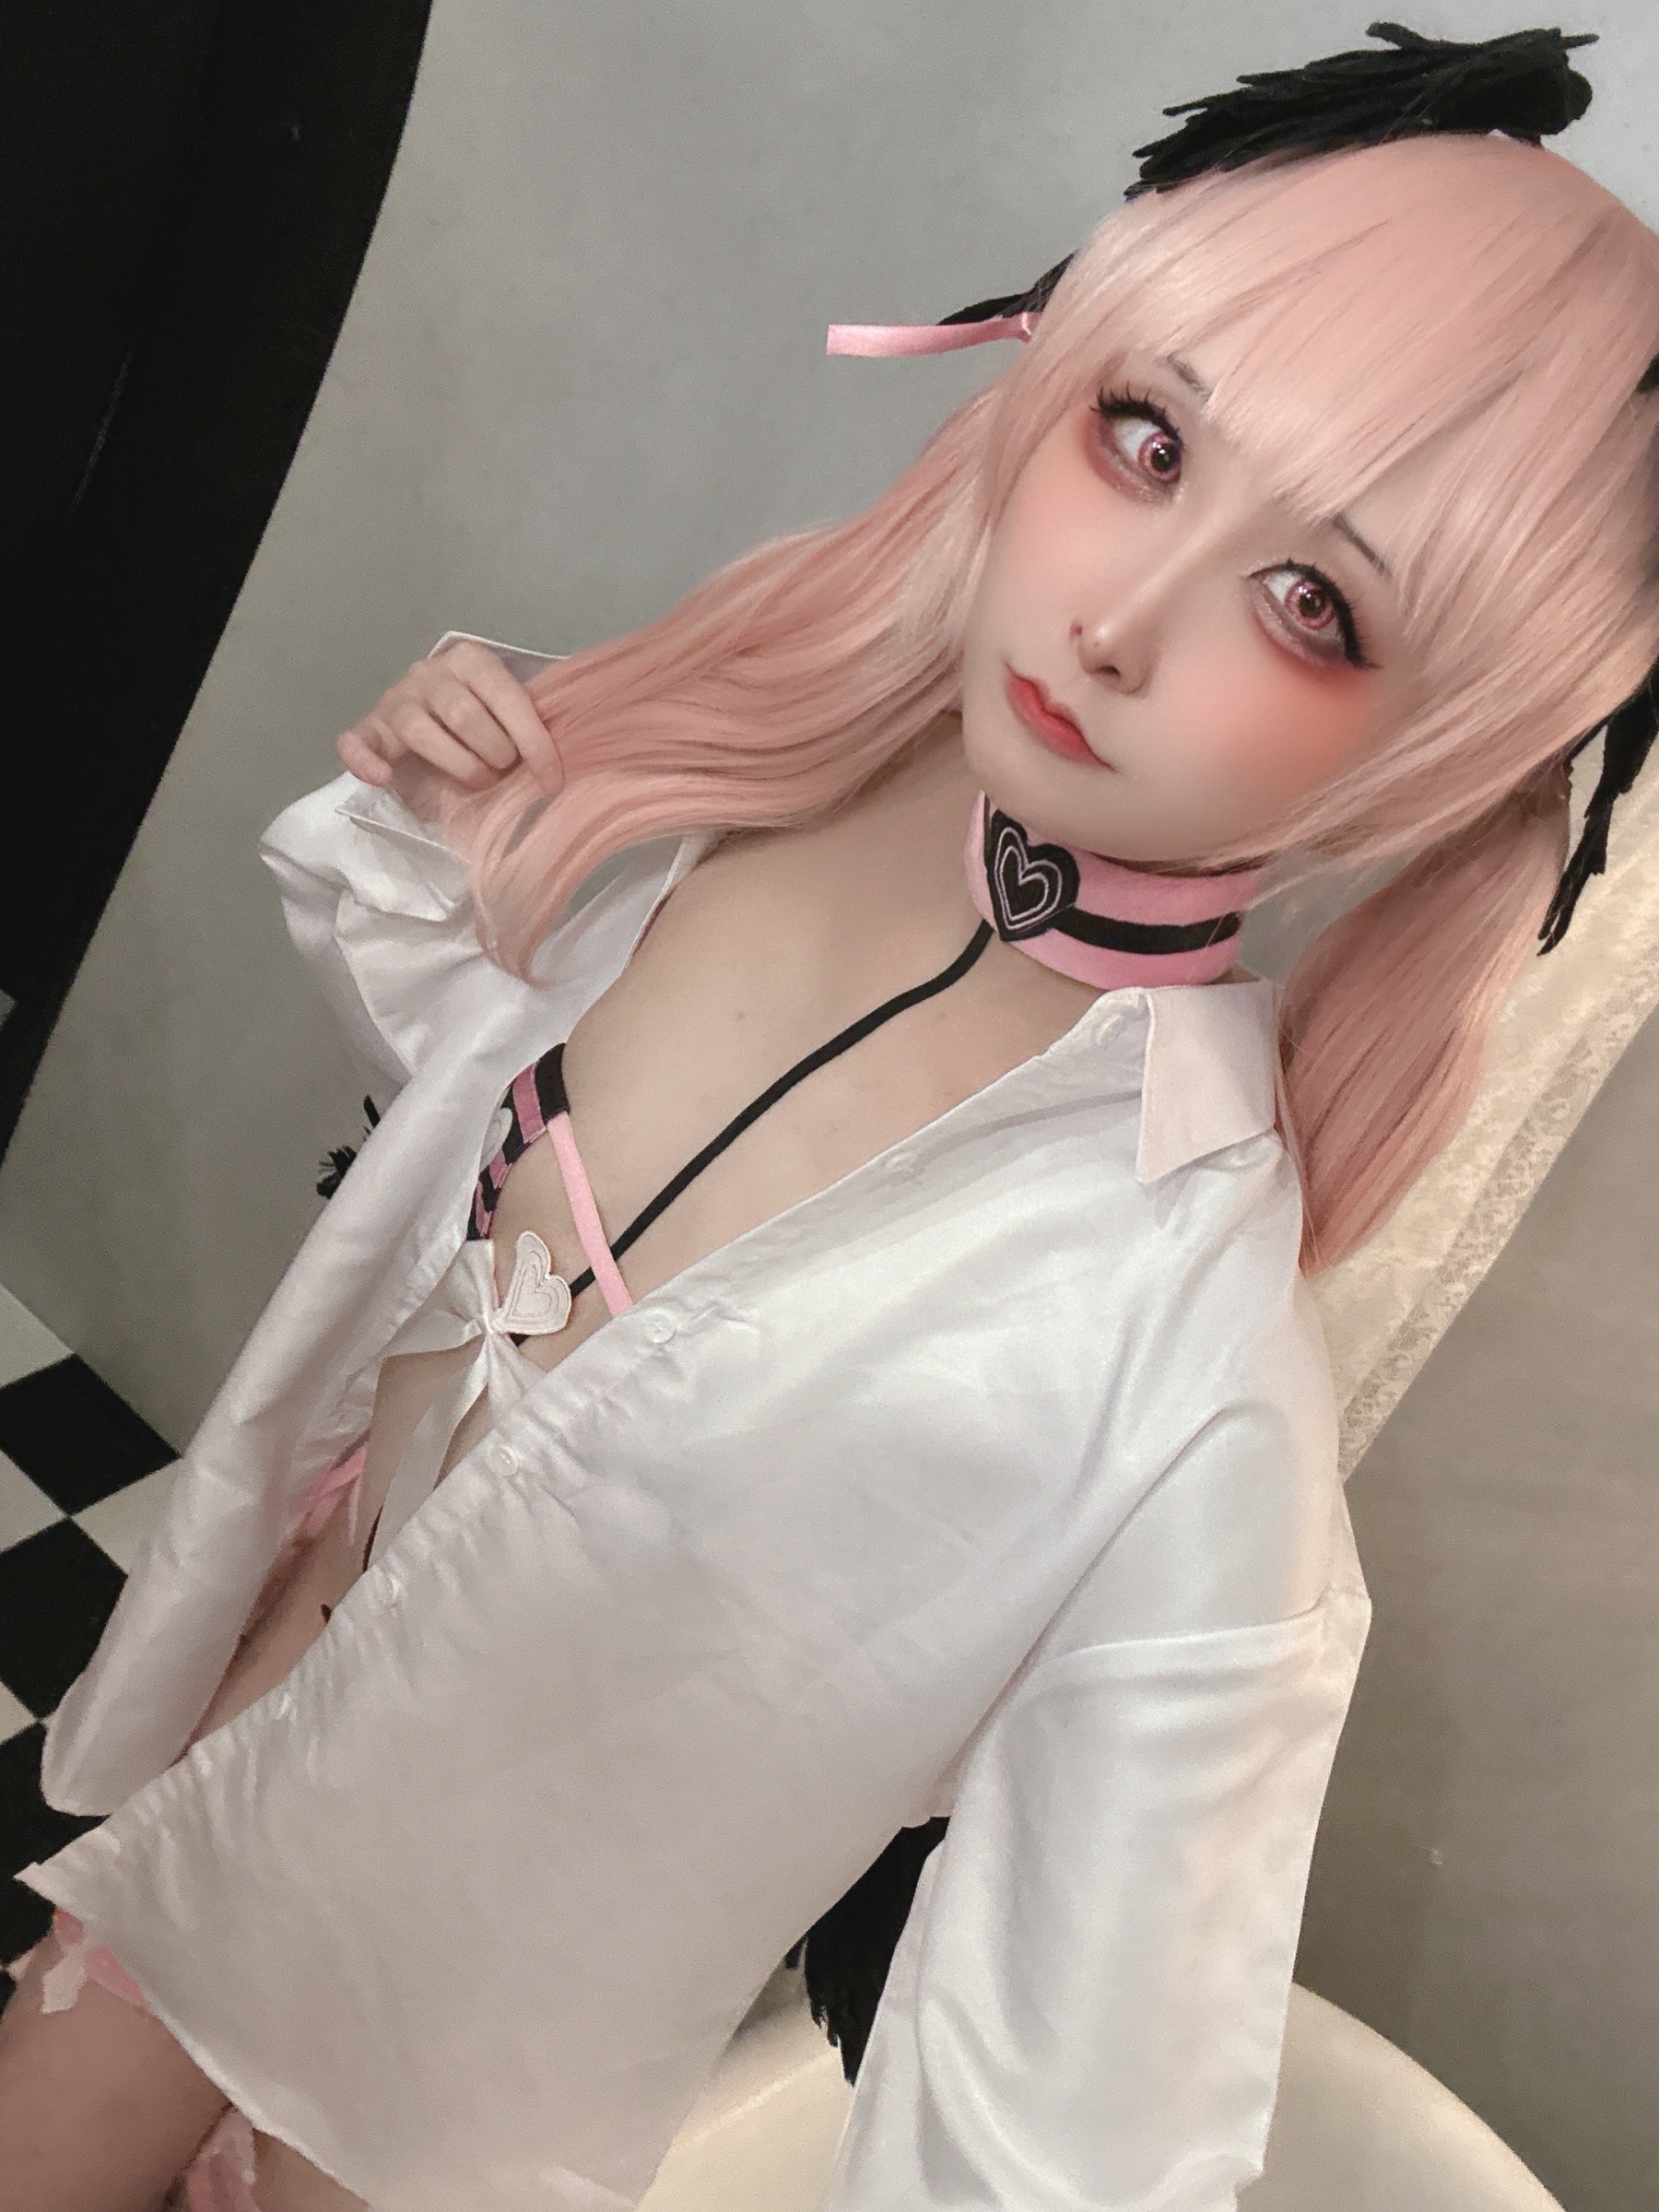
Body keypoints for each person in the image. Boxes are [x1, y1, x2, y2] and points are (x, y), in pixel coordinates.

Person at [2, 23, 1655, 2212]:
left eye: (1314, 604)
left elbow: (1069, 2129)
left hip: (462, 2055)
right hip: (233, 1780)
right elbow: (460, 1093)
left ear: (1467, 735)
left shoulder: (1177, 1356)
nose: (1120, 617)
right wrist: (449, 807)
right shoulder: (757, 791)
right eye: (1148, 436)